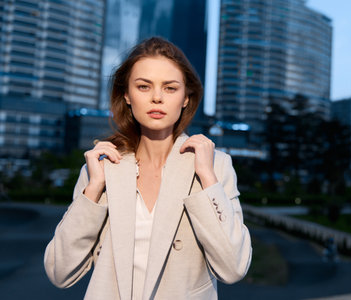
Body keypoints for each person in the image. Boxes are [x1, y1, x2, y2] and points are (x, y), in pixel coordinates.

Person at [44, 37, 252, 300]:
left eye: (170, 88)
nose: (156, 98)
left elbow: (234, 268)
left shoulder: (215, 166)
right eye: (144, 86)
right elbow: (59, 272)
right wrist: (93, 189)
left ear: (186, 98)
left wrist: (207, 179)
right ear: (127, 96)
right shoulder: (102, 166)